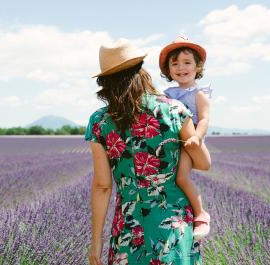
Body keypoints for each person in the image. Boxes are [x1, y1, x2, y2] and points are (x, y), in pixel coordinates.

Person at [86, 39, 211, 265]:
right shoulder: (174, 109)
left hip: (128, 228)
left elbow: (102, 185)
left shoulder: (99, 121)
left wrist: (96, 242)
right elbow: (203, 163)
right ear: (141, 71)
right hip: (173, 228)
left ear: (105, 82)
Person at [159, 35, 212, 240]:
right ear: (169, 70)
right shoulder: (167, 93)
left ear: (197, 66)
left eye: (187, 62)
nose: (181, 68)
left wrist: (197, 137)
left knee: (182, 177)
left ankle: (201, 214)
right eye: (175, 63)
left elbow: (205, 120)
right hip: (174, 141)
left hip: (190, 142)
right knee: (170, 179)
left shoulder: (199, 93)